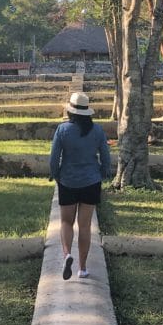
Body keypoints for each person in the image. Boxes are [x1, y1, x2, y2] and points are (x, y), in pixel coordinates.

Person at [49, 91, 112, 280]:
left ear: (70, 112)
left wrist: (56, 175)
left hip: (68, 181)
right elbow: (106, 157)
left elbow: (54, 159)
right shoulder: (98, 131)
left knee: (66, 222)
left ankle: (67, 254)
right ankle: (82, 268)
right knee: (84, 226)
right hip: (91, 182)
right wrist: (101, 174)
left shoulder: (62, 130)